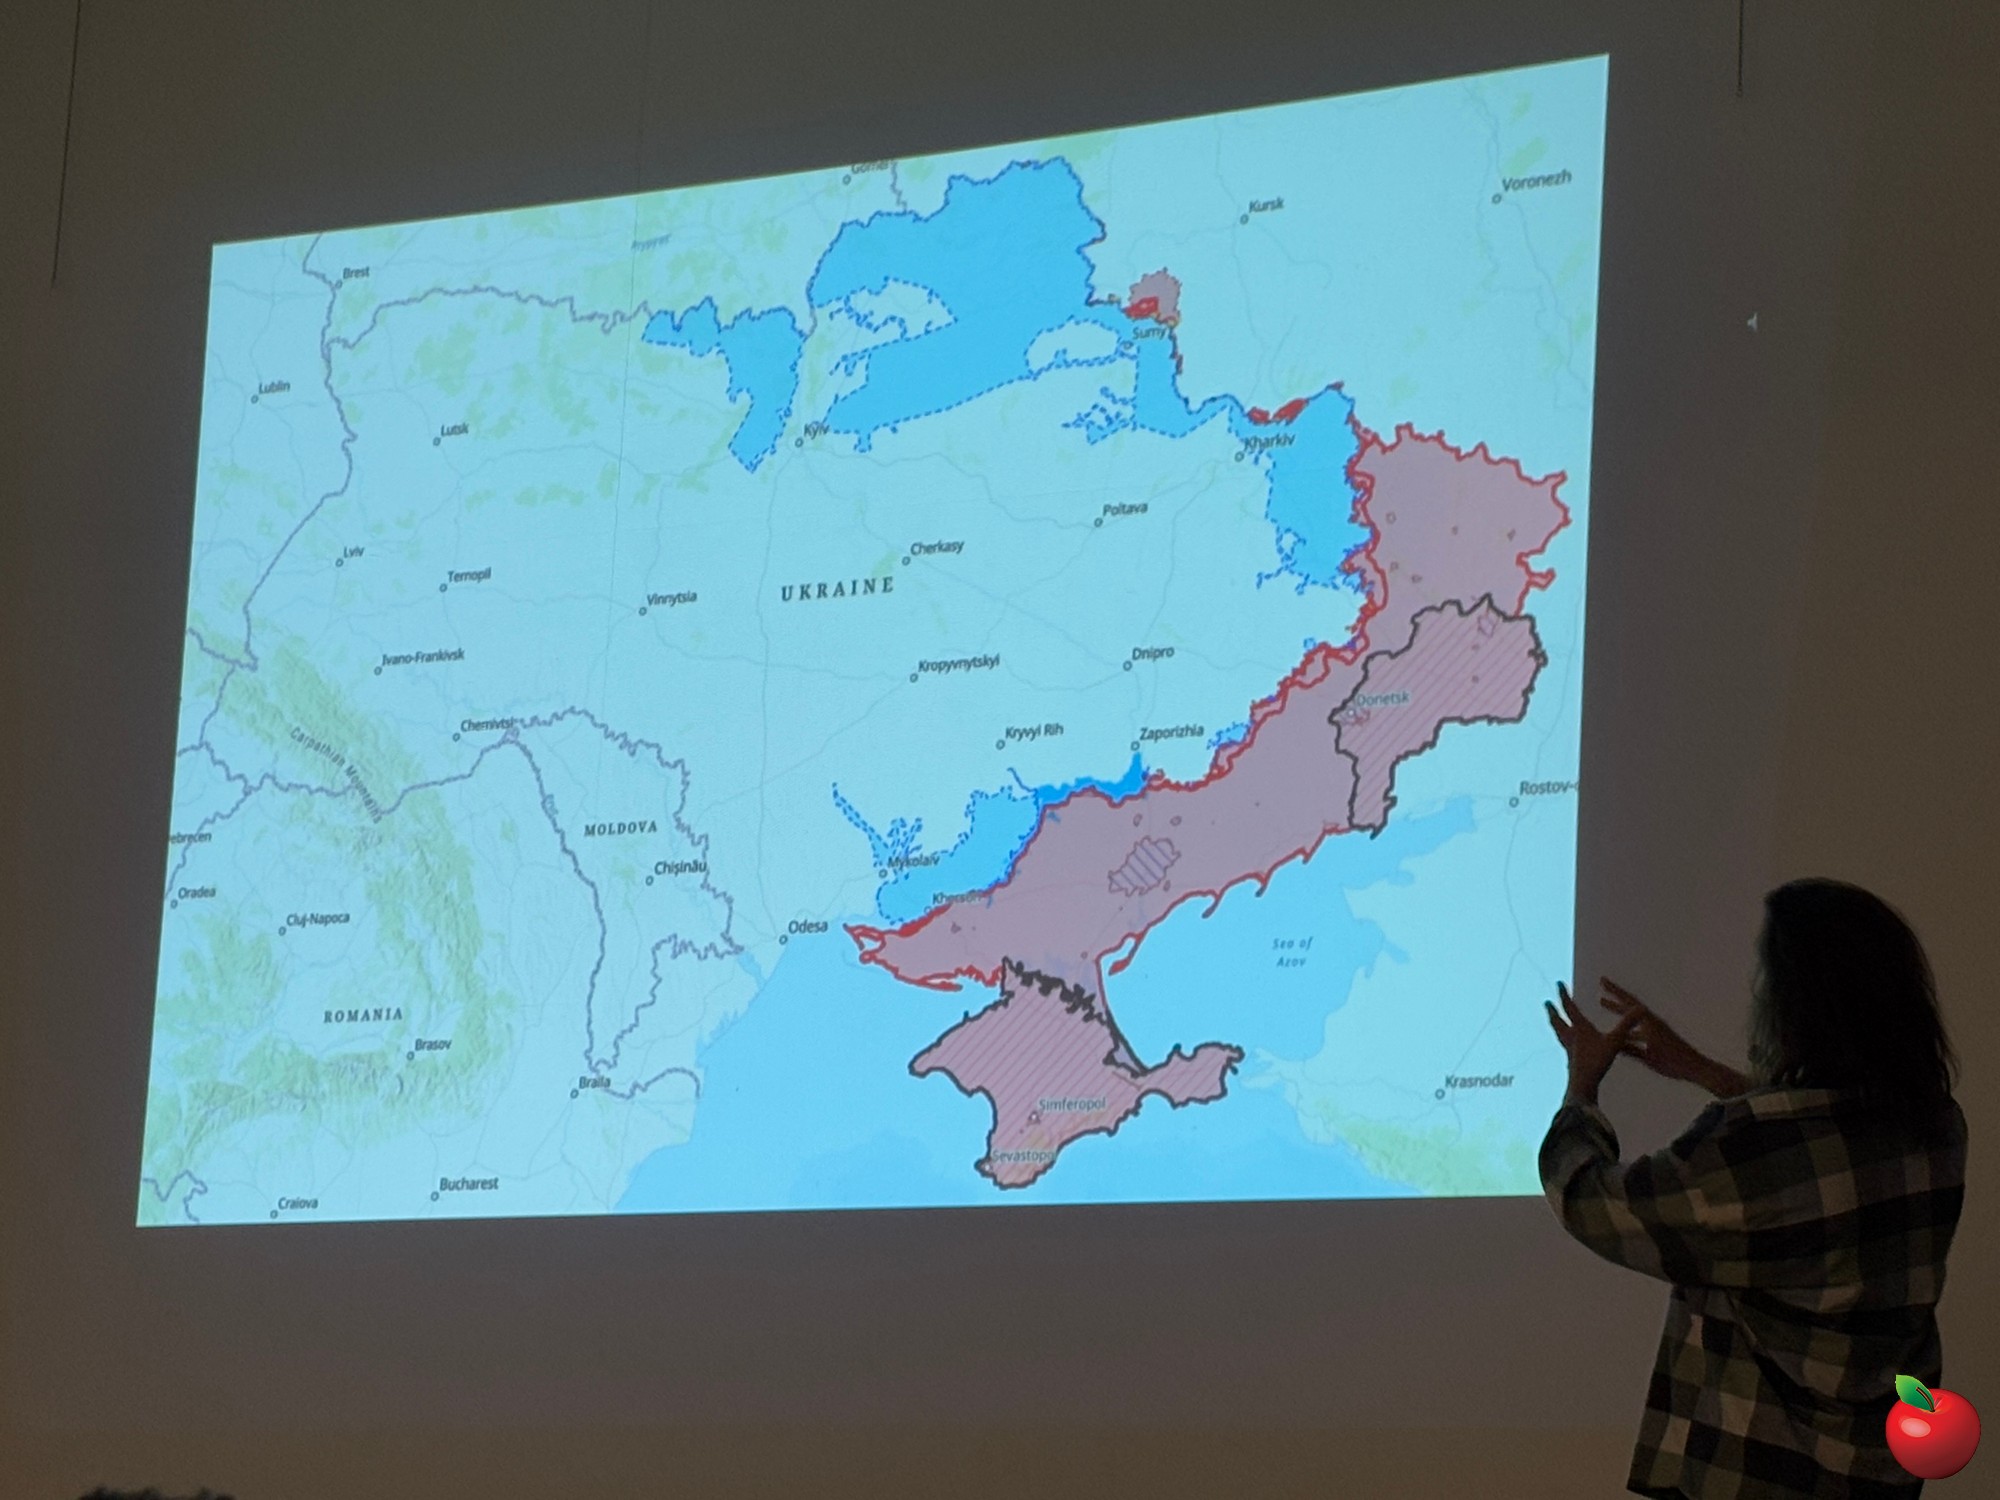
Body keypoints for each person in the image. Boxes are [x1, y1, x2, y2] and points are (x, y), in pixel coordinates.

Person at [1541, 879, 1967, 1499]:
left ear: (1796, 1005)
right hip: (1880, 1474)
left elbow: (1589, 1203)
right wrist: (1703, 1071)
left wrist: (1581, 1087)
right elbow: (1820, 1154)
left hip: (1763, 1474)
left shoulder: (1751, 1145)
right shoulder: (1936, 1127)